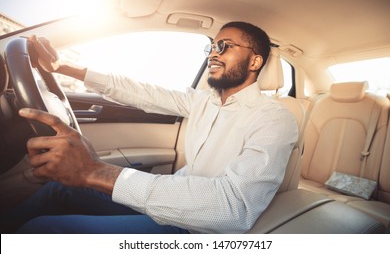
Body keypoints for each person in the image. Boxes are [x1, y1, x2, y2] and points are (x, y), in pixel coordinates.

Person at [0, 21, 298, 234]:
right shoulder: (203, 101)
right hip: (169, 198)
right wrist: (64, 68)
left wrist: (95, 171)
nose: (212, 54)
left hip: (196, 229)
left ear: (255, 61)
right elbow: (141, 92)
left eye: (224, 46)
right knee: (57, 190)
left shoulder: (274, 119)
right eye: (210, 46)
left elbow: (234, 208)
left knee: (45, 230)